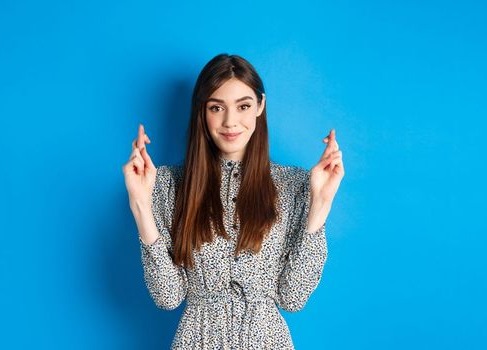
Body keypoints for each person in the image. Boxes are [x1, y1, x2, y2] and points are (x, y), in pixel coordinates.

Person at [121, 53, 344, 349]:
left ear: (260, 107)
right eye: (216, 107)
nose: (230, 121)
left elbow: (293, 297)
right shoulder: (167, 184)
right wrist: (140, 204)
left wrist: (321, 204)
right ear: (202, 111)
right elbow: (168, 296)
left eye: (243, 106)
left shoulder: (295, 185)